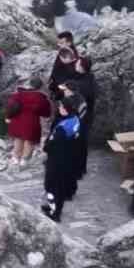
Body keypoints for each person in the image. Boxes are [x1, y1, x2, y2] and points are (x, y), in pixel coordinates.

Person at [42, 92, 87, 222]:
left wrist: (46, 147)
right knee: (58, 187)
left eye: (61, 107)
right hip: (68, 159)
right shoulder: (76, 120)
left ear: (66, 109)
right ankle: (52, 208)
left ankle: (54, 212)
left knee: (51, 186)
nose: (59, 109)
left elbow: (53, 144)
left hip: (57, 161)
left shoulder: (63, 127)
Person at [4, 77, 52, 165]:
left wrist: (8, 117)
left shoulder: (18, 94)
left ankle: (15, 158)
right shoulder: (42, 98)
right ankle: (24, 160)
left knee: (18, 139)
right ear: (40, 87)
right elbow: (46, 113)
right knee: (29, 141)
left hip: (17, 121)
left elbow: (10, 106)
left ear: (29, 84)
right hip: (32, 122)